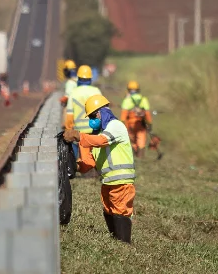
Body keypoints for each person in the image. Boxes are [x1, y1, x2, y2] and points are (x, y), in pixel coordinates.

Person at [64, 94, 135, 244]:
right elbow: (88, 164)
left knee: (120, 210)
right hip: (108, 181)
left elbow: (102, 141)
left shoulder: (116, 126)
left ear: (102, 112)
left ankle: (124, 244)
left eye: (93, 116)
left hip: (122, 180)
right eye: (90, 117)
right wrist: (73, 166)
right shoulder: (95, 135)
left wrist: (79, 136)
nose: (92, 121)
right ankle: (116, 241)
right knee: (109, 210)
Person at [65, 65, 101, 159]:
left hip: (79, 132)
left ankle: (80, 166)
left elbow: (69, 115)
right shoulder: (96, 91)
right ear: (90, 78)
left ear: (78, 78)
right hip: (95, 129)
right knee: (94, 155)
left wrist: (69, 129)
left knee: (81, 155)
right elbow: (103, 111)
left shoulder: (73, 92)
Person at [120, 81, 152, 158]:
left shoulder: (127, 100)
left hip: (129, 124)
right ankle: (140, 157)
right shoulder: (143, 99)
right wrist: (150, 124)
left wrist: (122, 125)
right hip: (140, 124)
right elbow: (147, 114)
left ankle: (134, 157)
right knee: (141, 140)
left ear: (128, 89)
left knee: (132, 140)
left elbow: (123, 116)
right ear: (138, 89)